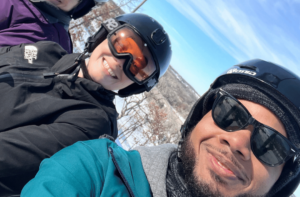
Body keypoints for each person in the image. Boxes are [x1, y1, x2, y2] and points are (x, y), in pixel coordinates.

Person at [22, 59, 300, 197]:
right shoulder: (96, 170)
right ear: (198, 118)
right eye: (229, 112)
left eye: (271, 144)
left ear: (282, 181)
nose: (238, 142)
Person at [0, 13, 172, 196]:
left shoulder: (92, 124)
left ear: (135, 86)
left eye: (137, 67)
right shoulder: (49, 51)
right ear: (104, 34)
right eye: (122, 44)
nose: (121, 62)